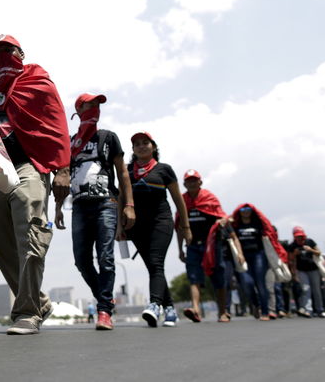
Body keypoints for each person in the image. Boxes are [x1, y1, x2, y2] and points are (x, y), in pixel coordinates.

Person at [0, 34, 71, 335]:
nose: (2, 56)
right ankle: (39, 300)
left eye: (8, 50)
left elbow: (57, 125)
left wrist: (63, 170)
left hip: (30, 163)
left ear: (20, 52)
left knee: (28, 223)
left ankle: (27, 311)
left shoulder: (38, 82)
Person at [56, 93, 133, 331]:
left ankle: (103, 311)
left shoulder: (108, 138)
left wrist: (128, 205)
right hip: (78, 205)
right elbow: (63, 177)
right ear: (78, 110)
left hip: (106, 203)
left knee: (106, 257)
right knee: (81, 259)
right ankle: (105, 297)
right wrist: (58, 208)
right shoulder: (70, 142)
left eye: (97, 105)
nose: (94, 108)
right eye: (89, 105)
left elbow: (122, 173)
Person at [126, 132, 191, 327]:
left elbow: (178, 199)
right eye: (137, 144)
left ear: (153, 146)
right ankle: (170, 309)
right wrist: (120, 227)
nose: (141, 146)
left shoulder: (164, 170)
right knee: (154, 267)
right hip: (137, 226)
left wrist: (185, 226)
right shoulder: (127, 171)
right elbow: (122, 198)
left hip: (161, 222)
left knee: (156, 262)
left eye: (145, 143)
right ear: (133, 149)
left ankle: (155, 304)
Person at [177, 169, 233, 323]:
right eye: (189, 181)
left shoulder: (209, 197)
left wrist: (221, 221)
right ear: (184, 184)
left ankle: (222, 311)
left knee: (218, 277)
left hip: (212, 246)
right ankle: (195, 309)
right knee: (193, 278)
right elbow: (179, 227)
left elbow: (223, 216)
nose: (192, 183)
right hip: (192, 246)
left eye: (194, 180)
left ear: (200, 182)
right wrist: (180, 249)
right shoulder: (182, 201)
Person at [229, 204, 286, 321]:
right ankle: (255, 304)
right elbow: (232, 237)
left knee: (261, 284)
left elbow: (269, 234)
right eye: (243, 210)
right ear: (239, 212)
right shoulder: (236, 225)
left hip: (258, 255)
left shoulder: (258, 224)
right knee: (247, 283)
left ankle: (265, 312)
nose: (245, 211)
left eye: (248, 209)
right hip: (243, 257)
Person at [288, 226, 325, 317]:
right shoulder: (292, 246)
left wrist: (310, 250)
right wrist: (294, 254)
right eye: (297, 236)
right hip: (301, 271)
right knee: (306, 289)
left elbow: (319, 253)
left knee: (316, 290)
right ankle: (308, 310)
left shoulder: (310, 242)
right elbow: (290, 259)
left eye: (301, 236)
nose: (299, 238)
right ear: (294, 236)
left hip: (314, 269)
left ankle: (320, 309)